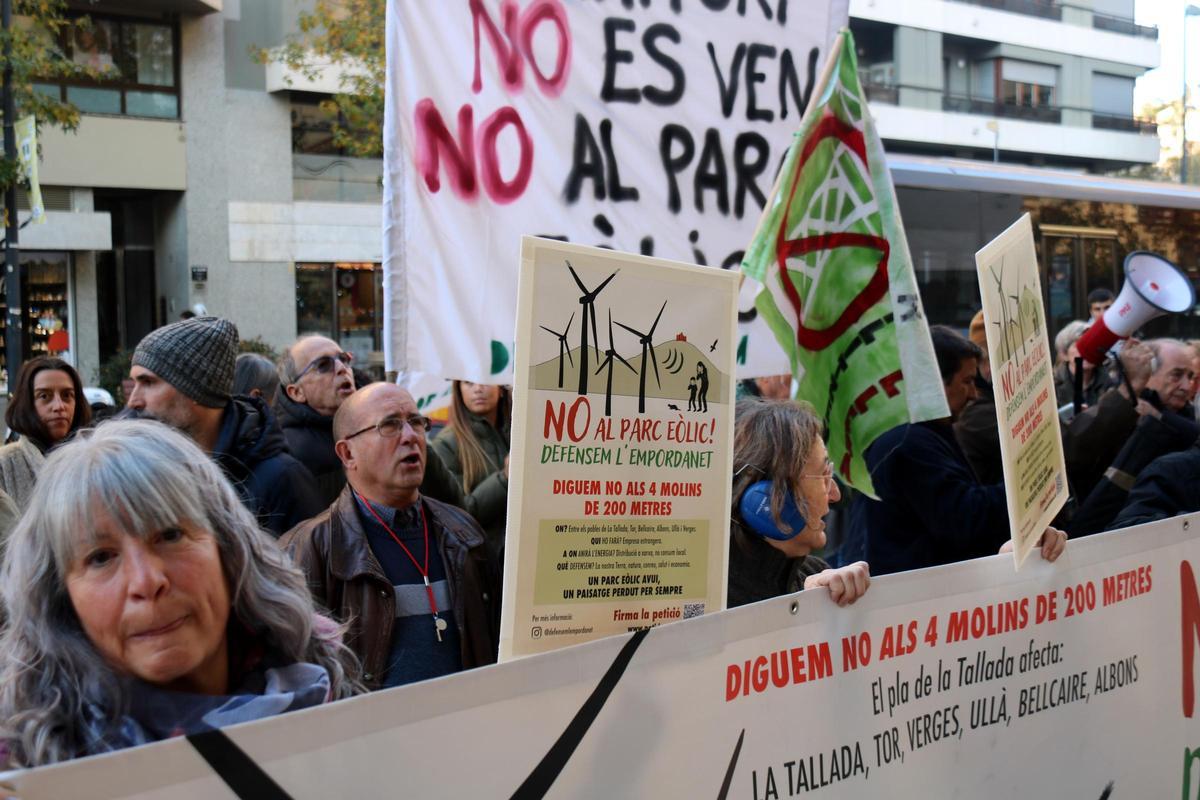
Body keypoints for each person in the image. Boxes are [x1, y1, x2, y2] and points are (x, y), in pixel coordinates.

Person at [0, 420, 359, 768]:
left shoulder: (331, 688)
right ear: (62, 599)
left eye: (170, 535)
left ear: (229, 549)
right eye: (101, 557)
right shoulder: (22, 767)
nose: (145, 582)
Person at [281, 384, 499, 691]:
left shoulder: (464, 532)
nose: (411, 436)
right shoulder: (307, 550)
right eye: (390, 425)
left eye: (416, 422)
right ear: (347, 453)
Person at [848, 326, 1068, 575]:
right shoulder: (908, 443)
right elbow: (965, 519)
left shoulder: (920, 433)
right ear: (936, 383)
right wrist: (1031, 486)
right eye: (967, 381)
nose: (974, 394)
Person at [126, 316, 322, 536]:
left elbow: (306, 566)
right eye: (134, 383)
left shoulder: (283, 479)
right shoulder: (146, 467)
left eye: (148, 382)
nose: (133, 400)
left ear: (196, 389)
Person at [728, 398, 870, 608]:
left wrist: (823, 605)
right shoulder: (712, 599)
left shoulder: (817, 575)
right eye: (822, 475)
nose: (835, 494)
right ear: (768, 498)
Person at [431, 381, 511, 562]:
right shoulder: (446, 443)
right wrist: (504, 478)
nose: (478, 388)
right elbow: (455, 514)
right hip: (481, 564)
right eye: (469, 383)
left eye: (486, 381)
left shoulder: (518, 433)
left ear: (501, 389)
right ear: (458, 390)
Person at [0, 356, 91, 509]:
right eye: (44, 396)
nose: (59, 406)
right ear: (27, 403)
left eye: (67, 395)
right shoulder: (5, 464)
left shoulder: (94, 461)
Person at [274, 336, 356, 505]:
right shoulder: (291, 453)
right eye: (323, 365)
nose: (341, 368)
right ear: (296, 392)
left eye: (344, 359)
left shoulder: (374, 421)